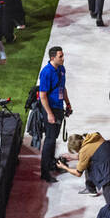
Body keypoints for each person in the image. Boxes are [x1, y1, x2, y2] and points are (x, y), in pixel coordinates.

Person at [37, 46, 72, 183]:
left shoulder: (61, 69)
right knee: (50, 140)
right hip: (49, 109)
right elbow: (43, 95)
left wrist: (68, 104)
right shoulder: (46, 72)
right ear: (52, 58)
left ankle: (52, 164)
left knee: (53, 139)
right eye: (60, 56)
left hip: (58, 108)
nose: (63, 58)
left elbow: (62, 88)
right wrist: (49, 114)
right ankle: (45, 172)